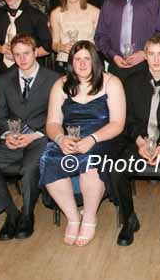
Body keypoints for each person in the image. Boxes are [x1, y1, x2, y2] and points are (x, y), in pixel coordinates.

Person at [39, 41, 125, 247]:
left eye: (87, 58)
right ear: (71, 63)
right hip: (69, 139)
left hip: (102, 138)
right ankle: (72, 217)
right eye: (77, 59)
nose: (82, 63)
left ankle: (89, 216)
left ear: (95, 61)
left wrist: (92, 139)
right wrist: (60, 139)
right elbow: (52, 123)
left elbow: (117, 124)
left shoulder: (111, 82)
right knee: (49, 158)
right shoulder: (61, 84)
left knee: (90, 161)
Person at [0, 34, 59, 241]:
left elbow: (59, 116)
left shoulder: (53, 79)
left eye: (26, 54)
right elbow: (0, 114)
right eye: (17, 55)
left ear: (35, 53)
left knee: (29, 167)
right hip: (13, 138)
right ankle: (11, 213)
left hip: (42, 137)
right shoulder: (4, 80)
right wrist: (7, 134)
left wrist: (35, 135)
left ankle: (27, 214)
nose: (22, 59)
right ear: (12, 56)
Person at [110, 36, 160, 247]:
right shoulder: (132, 81)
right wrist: (140, 142)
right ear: (145, 56)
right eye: (151, 54)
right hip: (139, 138)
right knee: (116, 169)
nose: (156, 59)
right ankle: (129, 219)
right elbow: (128, 119)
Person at [95, 0, 160, 81]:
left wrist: (144, 54)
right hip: (116, 67)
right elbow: (101, 36)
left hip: (145, 66)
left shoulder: (153, 2)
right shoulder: (109, 4)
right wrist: (113, 56)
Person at [50, 0, 100, 73]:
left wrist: (87, 49)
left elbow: (100, 43)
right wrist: (62, 47)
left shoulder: (95, 12)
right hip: (65, 63)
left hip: (89, 63)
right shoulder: (55, 14)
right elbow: (54, 44)